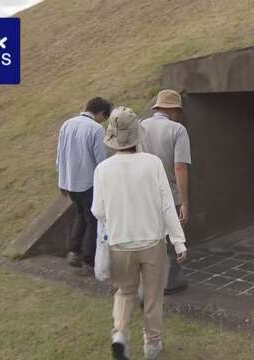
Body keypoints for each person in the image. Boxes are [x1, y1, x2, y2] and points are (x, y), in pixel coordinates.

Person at [91, 106, 187, 360]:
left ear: (113, 138)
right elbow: (167, 205)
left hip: (120, 243)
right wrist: (179, 242)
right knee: (153, 296)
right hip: (152, 242)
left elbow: (98, 211)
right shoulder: (152, 164)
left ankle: (120, 334)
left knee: (124, 292)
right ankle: (152, 345)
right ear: (138, 135)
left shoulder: (103, 169)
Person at [140, 89, 191, 294]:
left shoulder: (141, 126)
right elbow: (180, 167)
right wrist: (185, 203)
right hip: (169, 194)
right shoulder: (177, 129)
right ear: (174, 110)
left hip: (144, 192)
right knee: (173, 239)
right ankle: (170, 283)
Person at [56, 97, 111, 268]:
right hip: (89, 182)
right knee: (93, 219)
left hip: (70, 182)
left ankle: (73, 251)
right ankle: (89, 257)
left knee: (80, 214)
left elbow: (60, 155)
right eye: (105, 116)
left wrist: (62, 181)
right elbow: (101, 160)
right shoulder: (96, 129)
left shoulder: (67, 124)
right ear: (101, 113)